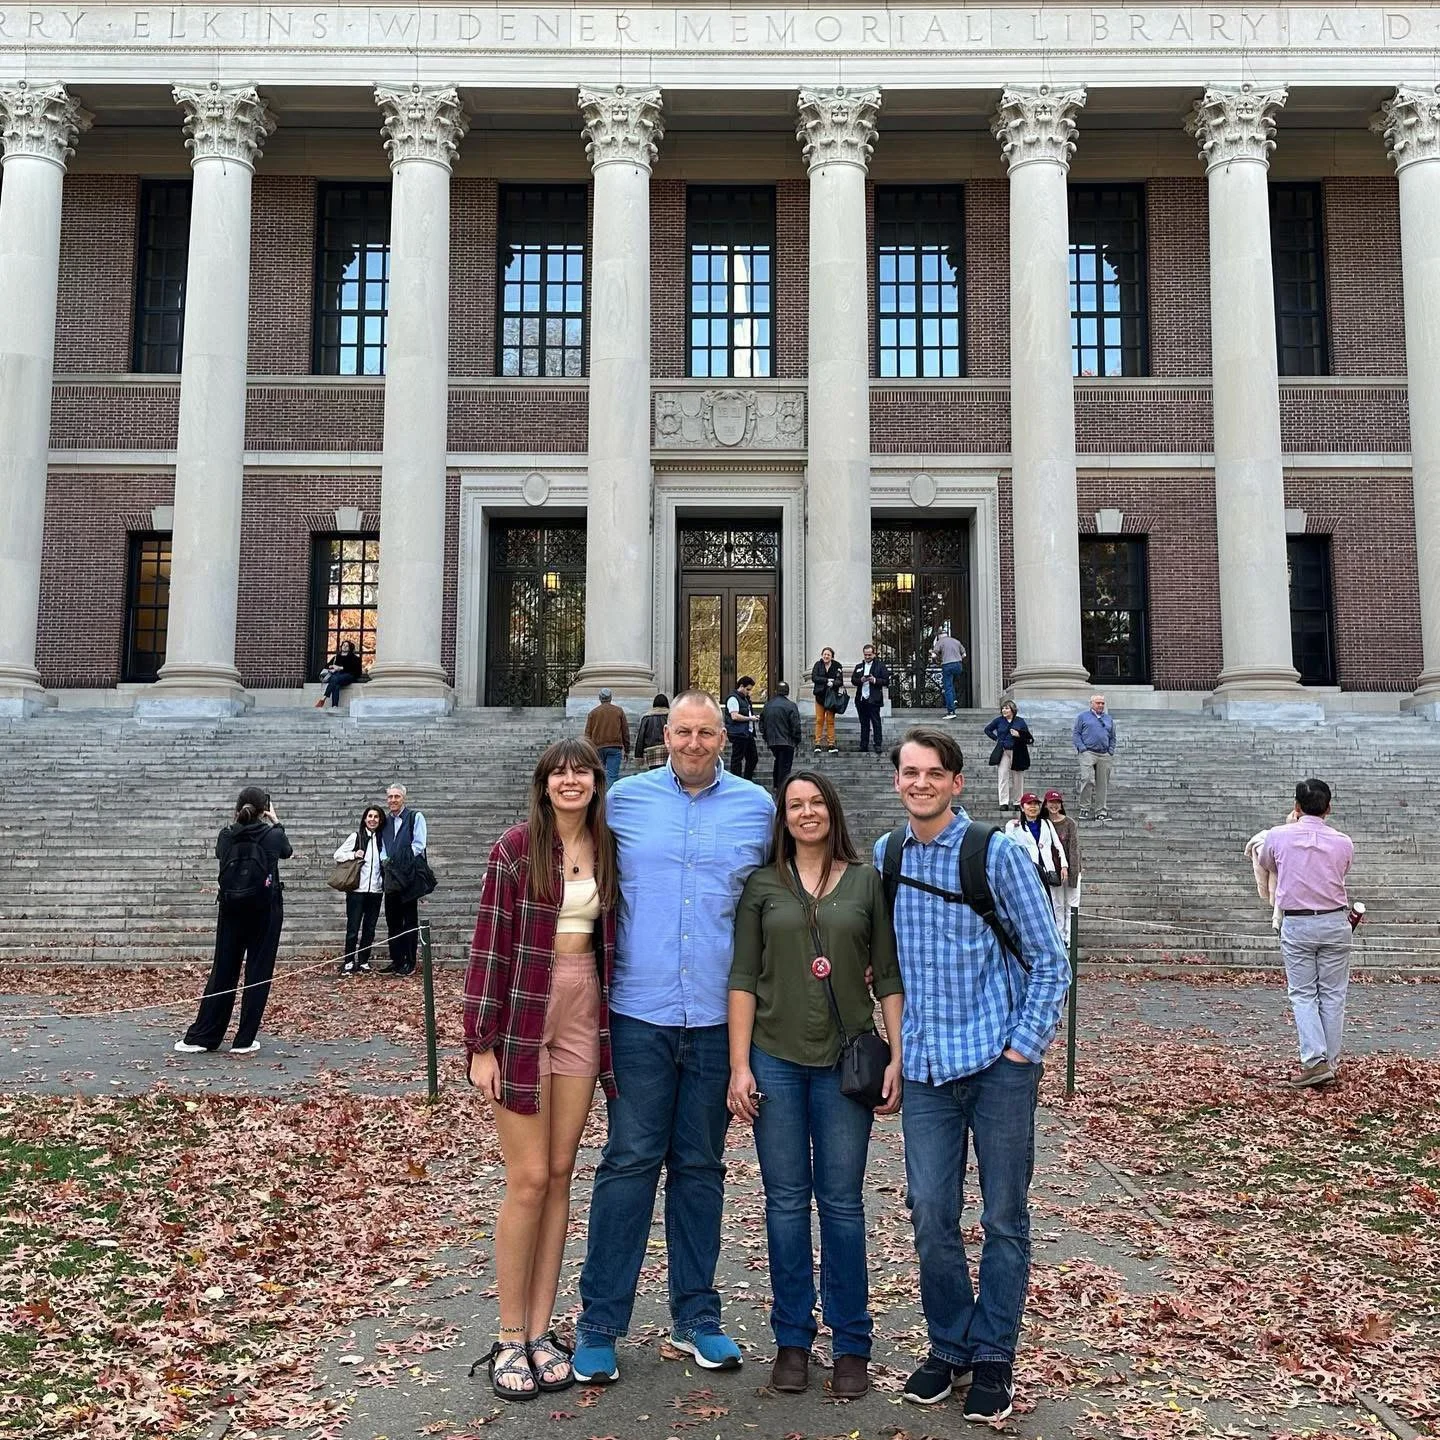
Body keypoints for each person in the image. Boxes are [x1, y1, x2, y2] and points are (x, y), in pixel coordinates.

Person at [573, 691, 774, 1385]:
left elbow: (779, 898)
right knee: (628, 1162)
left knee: (700, 1168)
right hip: (638, 1012)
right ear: (667, 734)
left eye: (706, 732)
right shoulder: (623, 801)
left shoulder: (758, 808)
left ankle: (697, 1317)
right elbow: (567, 867)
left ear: (725, 736)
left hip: (719, 1021)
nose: (693, 742)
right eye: (683, 731)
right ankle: (599, 1323)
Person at [875, 727, 1069, 1420]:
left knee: (1004, 1217)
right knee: (930, 1214)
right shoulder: (887, 855)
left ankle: (993, 1357)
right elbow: (884, 963)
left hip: (996, 1065)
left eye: (933, 773)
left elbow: (1052, 958)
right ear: (897, 780)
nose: (920, 782)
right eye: (909, 772)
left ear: (957, 782)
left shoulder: (999, 853)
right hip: (927, 1068)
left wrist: (1023, 1046)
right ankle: (949, 1346)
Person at [728, 770, 903, 1400]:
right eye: (795, 805)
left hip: (845, 1059)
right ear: (783, 816)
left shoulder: (864, 880)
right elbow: (744, 976)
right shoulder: (762, 885)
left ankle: (852, 1342)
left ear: (833, 810)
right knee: (783, 1204)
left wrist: (897, 1058)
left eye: (816, 803)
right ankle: (792, 1339)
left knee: (843, 1205)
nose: (807, 813)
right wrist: (740, 1064)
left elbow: (886, 972)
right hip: (774, 1057)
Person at [464, 738, 620, 1400]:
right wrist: (480, 1041)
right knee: (526, 1179)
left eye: (580, 770)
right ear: (542, 783)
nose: (570, 779)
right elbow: (487, 944)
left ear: (596, 780)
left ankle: (538, 1329)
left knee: (560, 1175)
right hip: (527, 1006)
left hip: (586, 1009)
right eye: (558, 772)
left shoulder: (610, 849)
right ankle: (505, 1336)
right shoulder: (515, 850)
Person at [174, 786, 292, 1056]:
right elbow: (287, 850)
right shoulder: (272, 835)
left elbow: (220, 855)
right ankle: (244, 1039)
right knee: (257, 973)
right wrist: (276, 821)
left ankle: (204, 1036)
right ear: (264, 810)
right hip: (265, 909)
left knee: (224, 971)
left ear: (237, 808)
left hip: (231, 908)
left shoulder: (226, 835)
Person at [1256, 779, 1355, 1089]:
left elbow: (1266, 862)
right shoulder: (1343, 841)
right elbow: (1343, 870)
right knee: (1333, 995)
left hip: (1298, 922)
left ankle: (1314, 1060)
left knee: (1303, 994)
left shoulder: (1278, 836)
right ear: (1329, 808)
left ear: (1296, 806)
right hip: (1335, 920)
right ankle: (1330, 1061)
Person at [1005, 794, 1069, 939]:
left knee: (1054, 903)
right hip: (1028, 870)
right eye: (1029, 804)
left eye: (1036, 804)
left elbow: (1057, 845)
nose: (1033, 807)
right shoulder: (1015, 826)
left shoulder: (1046, 824)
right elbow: (1009, 846)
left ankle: (1057, 935)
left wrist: (1064, 865)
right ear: (1022, 807)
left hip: (1048, 870)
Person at [379, 783, 427, 976]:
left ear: (403, 798)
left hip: (408, 877)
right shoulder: (385, 822)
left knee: (409, 921)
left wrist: (399, 861)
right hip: (391, 878)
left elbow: (419, 844)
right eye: (390, 797)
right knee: (393, 920)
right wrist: (385, 860)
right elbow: (382, 845)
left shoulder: (415, 817)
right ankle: (396, 960)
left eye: (396, 796)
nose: (393, 800)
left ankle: (409, 961)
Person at [334, 803, 386, 974]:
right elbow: (338, 855)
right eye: (370, 816)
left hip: (376, 891)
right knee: (353, 927)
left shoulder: (383, 839)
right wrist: (353, 854)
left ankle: (363, 960)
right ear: (365, 819)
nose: (373, 820)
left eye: (376, 817)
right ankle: (349, 961)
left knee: (370, 928)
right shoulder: (356, 837)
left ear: (380, 820)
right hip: (357, 891)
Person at [1043, 791, 1082, 947]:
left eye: (1057, 802)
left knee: (1071, 905)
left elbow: (1074, 849)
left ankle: (1070, 936)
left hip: (1071, 869)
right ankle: (1059, 936)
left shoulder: (1069, 823)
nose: (1054, 805)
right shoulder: (1043, 823)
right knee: (1057, 904)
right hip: (1053, 871)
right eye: (1051, 802)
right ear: (1045, 804)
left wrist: (1073, 871)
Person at [983, 702, 1033, 814]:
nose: (1004, 710)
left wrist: (1018, 735)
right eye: (1003, 708)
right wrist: (996, 739)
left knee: (1018, 778)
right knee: (1003, 776)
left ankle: (1017, 802)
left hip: (1017, 751)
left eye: (1006, 708)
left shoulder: (1020, 721)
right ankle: (1003, 802)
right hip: (1003, 751)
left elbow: (1028, 737)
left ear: (1012, 710)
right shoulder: (999, 720)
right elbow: (987, 729)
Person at [1072, 695, 1116, 822]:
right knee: (1087, 778)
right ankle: (1084, 808)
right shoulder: (1083, 717)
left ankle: (1101, 811)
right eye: (1098, 703)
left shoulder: (1108, 719)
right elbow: (1076, 733)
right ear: (1091, 704)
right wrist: (1082, 748)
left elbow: (1113, 736)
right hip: (1088, 752)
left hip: (1104, 754)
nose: (1101, 705)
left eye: (1102, 703)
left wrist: (1111, 750)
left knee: (1102, 783)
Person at [760, 680, 802, 792]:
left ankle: (776, 785)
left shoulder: (768, 705)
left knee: (778, 761)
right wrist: (797, 739)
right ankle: (782, 787)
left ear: (776, 691)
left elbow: (761, 723)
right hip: (787, 741)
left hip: (773, 741)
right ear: (787, 692)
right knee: (785, 766)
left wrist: (766, 737)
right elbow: (795, 725)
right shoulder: (791, 705)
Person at [584, 688, 631, 790]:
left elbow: (587, 734)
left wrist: (586, 751)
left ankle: (599, 798)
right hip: (615, 747)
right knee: (612, 776)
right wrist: (627, 750)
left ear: (600, 698)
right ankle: (608, 798)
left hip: (597, 748)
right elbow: (625, 731)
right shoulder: (618, 711)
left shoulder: (593, 713)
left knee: (598, 775)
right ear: (610, 698)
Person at [852, 643, 891, 756]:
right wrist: (861, 680)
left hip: (874, 698)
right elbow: (853, 680)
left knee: (876, 722)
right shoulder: (859, 666)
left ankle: (877, 744)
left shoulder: (880, 666)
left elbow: (886, 680)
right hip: (861, 699)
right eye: (865, 655)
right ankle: (863, 745)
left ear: (874, 654)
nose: (867, 657)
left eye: (869, 655)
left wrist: (874, 680)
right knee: (864, 723)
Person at [725, 676, 760, 781]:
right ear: (741, 686)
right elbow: (734, 716)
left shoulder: (744, 699)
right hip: (738, 733)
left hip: (746, 733)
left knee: (753, 758)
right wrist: (750, 718)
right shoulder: (733, 698)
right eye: (747, 689)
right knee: (737, 759)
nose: (749, 692)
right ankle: (737, 780)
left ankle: (746, 780)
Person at [811, 647, 844, 754]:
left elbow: (840, 681)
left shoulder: (837, 666)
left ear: (832, 656)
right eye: (824, 654)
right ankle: (817, 743)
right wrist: (826, 680)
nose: (826, 656)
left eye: (828, 655)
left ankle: (831, 744)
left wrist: (833, 683)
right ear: (822, 655)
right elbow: (814, 677)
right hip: (820, 697)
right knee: (819, 720)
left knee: (830, 721)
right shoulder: (818, 665)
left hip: (831, 698)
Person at [315, 639, 364, 709]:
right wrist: (332, 667)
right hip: (337, 676)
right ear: (341, 646)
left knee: (335, 678)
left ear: (350, 648)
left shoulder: (354, 658)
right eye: (344, 645)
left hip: (349, 676)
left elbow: (357, 671)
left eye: (347, 646)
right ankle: (334, 706)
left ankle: (323, 698)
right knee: (336, 684)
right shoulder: (336, 657)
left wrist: (340, 668)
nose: (345, 647)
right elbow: (327, 666)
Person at [931, 629, 967, 718]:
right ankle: (954, 700)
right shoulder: (956, 641)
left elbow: (934, 655)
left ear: (939, 636)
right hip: (958, 665)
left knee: (948, 688)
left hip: (947, 665)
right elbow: (964, 655)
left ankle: (951, 712)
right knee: (953, 683)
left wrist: (937, 658)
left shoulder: (940, 642)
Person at [633, 694, 670, 770]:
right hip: (668, 751)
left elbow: (641, 737)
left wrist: (638, 755)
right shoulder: (670, 716)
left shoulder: (647, 717)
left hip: (651, 752)